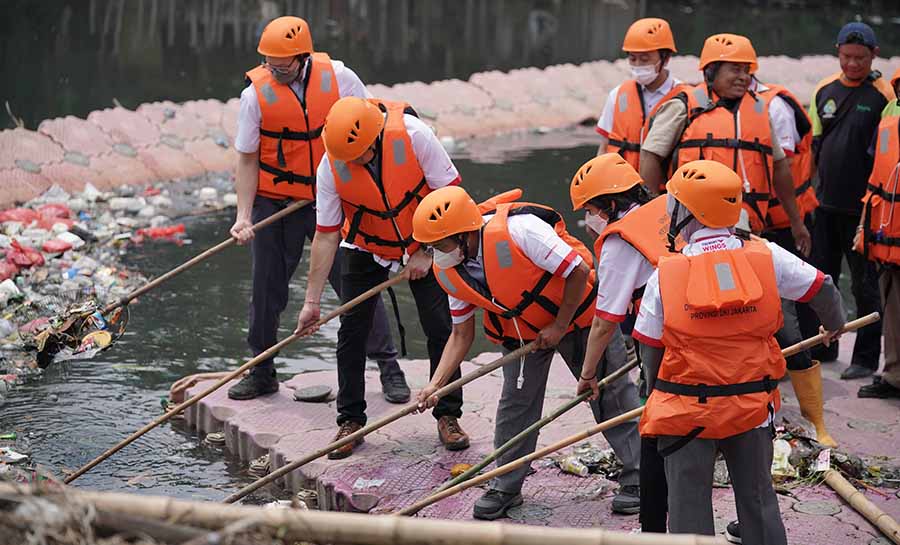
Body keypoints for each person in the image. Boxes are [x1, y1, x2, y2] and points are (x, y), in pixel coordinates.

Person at [634, 160, 846, 544]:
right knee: (759, 499)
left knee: (687, 506)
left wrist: (654, 393)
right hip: (752, 407)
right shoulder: (767, 255)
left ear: (688, 214)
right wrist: (835, 326)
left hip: (686, 414)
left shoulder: (664, 275)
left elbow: (649, 350)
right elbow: (824, 288)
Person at [412, 185, 642, 520]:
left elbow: (577, 270)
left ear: (465, 234)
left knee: (608, 392)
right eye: (431, 247)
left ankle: (638, 475)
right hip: (523, 332)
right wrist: (436, 385)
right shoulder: (449, 270)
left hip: (574, 316)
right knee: (515, 406)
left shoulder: (521, 232)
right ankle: (506, 485)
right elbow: (461, 334)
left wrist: (560, 326)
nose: (437, 254)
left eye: (441, 245)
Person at [228, 16, 409, 404]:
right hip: (275, 200)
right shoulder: (254, 95)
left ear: (303, 56)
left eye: (282, 66)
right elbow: (246, 159)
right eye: (268, 64)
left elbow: (367, 125)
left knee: (355, 282)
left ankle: (389, 367)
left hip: (332, 195)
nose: (274, 72)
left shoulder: (341, 79)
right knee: (266, 288)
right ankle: (262, 370)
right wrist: (244, 216)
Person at [296, 97, 469, 460]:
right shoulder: (331, 163)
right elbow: (326, 234)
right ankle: (351, 421)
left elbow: (453, 197)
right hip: (364, 243)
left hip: (425, 237)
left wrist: (425, 250)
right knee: (352, 331)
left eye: (359, 155)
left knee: (440, 326)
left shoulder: (415, 136)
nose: (353, 163)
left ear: (374, 138)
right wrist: (311, 303)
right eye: (347, 158)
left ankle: (448, 414)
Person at [570, 153, 675, 532]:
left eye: (592, 210)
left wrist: (586, 375)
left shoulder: (618, 244)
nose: (588, 221)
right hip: (701, 320)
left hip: (665, 333)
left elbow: (603, 322)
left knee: (659, 413)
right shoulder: (668, 206)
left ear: (612, 205)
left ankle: (654, 499)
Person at [639, 33, 811, 251]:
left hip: (747, 231)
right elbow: (650, 156)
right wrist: (650, 215)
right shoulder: (684, 106)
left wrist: (796, 223)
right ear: (711, 71)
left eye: (747, 71)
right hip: (691, 231)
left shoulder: (759, 111)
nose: (743, 77)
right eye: (735, 70)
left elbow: (779, 167)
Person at [797, 22, 894, 380]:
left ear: (874, 55)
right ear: (838, 51)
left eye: (860, 58)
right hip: (823, 205)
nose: (853, 64)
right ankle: (826, 345)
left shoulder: (884, 95)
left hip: (864, 208)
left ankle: (866, 357)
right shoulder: (824, 90)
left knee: (864, 284)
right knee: (821, 279)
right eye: (847, 57)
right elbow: (813, 147)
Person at [855, 67, 900, 399]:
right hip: (888, 239)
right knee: (893, 312)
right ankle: (894, 376)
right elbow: (874, 184)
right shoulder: (886, 129)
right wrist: (863, 228)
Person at [596, 18, 680, 179]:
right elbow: (604, 148)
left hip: (664, 193)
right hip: (621, 192)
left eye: (645, 59)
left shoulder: (685, 98)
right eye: (633, 58)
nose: (638, 64)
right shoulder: (618, 95)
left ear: (666, 58)